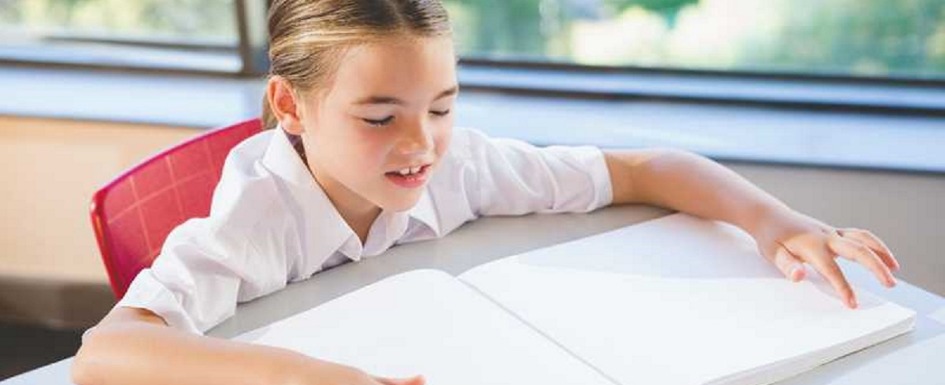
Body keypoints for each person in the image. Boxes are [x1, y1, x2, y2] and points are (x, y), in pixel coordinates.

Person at [72, 1, 900, 384]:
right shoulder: (258, 213)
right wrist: (309, 376)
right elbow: (105, 355)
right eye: (379, 116)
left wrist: (776, 219)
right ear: (291, 105)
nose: (420, 144)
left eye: (441, 106)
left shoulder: (457, 165)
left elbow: (650, 168)